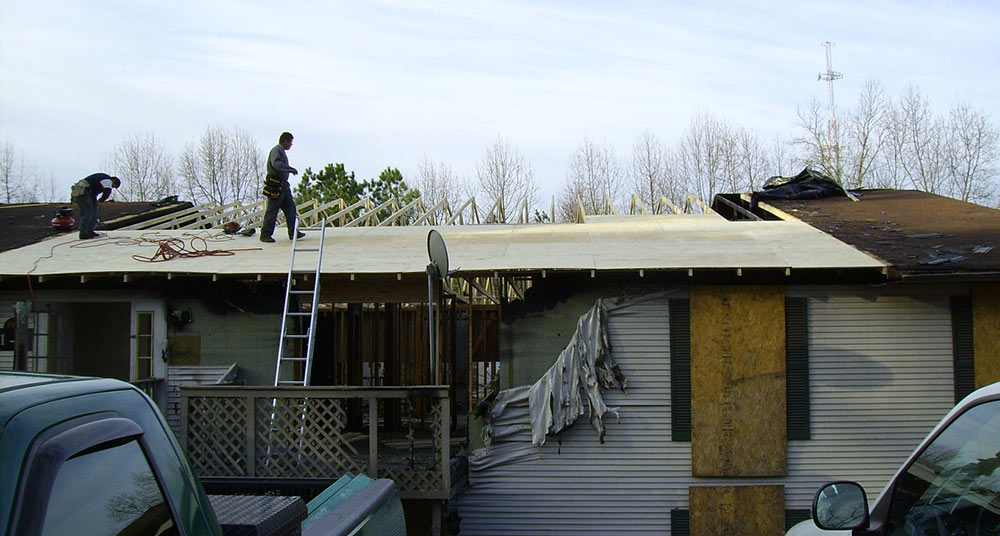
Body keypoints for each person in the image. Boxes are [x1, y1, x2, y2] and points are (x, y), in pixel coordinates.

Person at [260, 131, 305, 243]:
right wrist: (289, 169)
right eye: (290, 142)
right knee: (273, 210)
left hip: (283, 186)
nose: (291, 145)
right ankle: (265, 234)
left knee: (290, 209)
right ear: (285, 141)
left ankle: (293, 232)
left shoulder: (280, 151)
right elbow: (276, 164)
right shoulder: (277, 150)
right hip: (276, 186)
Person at [71, 172, 121, 239]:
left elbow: (94, 192)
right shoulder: (108, 180)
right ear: (113, 181)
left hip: (88, 193)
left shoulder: (101, 180)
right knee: (87, 212)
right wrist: (102, 200)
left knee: (94, 211)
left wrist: (97, 201)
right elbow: (107, 191)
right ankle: (83, 233)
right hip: (83, 191)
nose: (112, 187)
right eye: (113, 186)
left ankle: (89, 231)